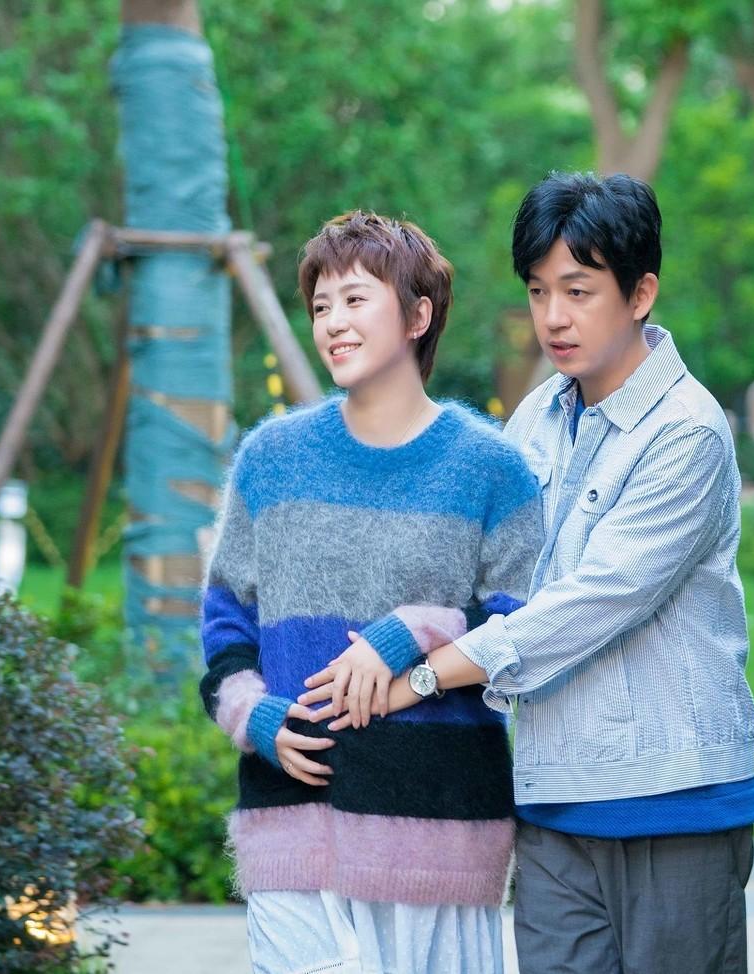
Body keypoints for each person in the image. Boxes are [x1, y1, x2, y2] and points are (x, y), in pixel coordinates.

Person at [303, 173, 754, 974]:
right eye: (538, 290)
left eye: (578, 291)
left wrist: (421, 677)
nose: (553, 316)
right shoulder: (537, 419)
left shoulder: (687, 432)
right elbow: (474, 565)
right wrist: (388, 639)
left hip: (674, 801)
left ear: (641, 293)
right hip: (554, 801)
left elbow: (593, 603)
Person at [199, 210, 543, 974]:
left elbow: (523, 628)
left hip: (438, 834)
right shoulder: (270, 459)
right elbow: (226, 631)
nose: (332, 322)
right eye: (321, 305)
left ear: (418, 317)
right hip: (290, 828)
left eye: (355, 299)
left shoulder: (491, 469)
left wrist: (414, 629)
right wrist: (255, 718)